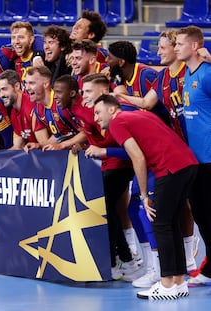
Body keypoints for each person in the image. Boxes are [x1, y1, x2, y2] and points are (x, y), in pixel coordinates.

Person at [93, 94, 198, 300]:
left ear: (112, 109)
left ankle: (167, 283)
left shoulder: (118, 123)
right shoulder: (139, 115)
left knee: (160, 224)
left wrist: (143, 195)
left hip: (170, 168)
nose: (96, 118)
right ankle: (178, 281)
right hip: (188, 165)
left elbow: (137, 158)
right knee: (170, 223)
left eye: (98, 112)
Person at [80, 73, 143, 282]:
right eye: (83, 91)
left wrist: (103, 152)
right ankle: (120, 261)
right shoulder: (91, 112)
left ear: (104, 93)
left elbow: (133, 152)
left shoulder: (121, 117)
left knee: (109, 208)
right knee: (106, 208)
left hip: (128, 165)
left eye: (88, 91)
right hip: (113, 164)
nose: (84, 95)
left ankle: (124, 261)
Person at [175, 25, 211, 286]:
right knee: (201, 213)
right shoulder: (188, 73)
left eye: (179, 43)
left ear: (195, 46)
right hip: (194, 158)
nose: (176, 48)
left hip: (210, 156)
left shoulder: (208, 74)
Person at [0, 69, 37, 149]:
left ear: (17, 86)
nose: (1, 95)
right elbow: (17, 147)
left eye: (4, 89)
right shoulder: (13, 112)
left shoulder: (32, 106)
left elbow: (45, 145)